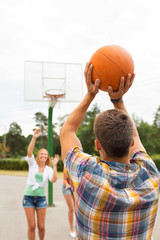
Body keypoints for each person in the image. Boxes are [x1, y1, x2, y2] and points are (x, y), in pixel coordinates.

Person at [60, 62, 160, 240]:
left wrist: (91, 94)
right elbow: (136, 137)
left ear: (98, 145)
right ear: (130, 145)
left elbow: (67, 131)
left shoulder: (86, 173)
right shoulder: (150, 176)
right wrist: (118, 100)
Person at [23, 129, 59, 240]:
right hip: (28, 197)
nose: (43, 155)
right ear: (38, 156)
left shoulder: (48, 169)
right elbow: (29, 152)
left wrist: (54, 166)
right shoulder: (32, 164)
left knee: (41, 227)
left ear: (47, 157)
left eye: (45, 154)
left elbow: (53, 180)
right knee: (32, 226)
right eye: (41, 154)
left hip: (41, 198)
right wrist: (34, 137)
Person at [62, 167, 76, 238]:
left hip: (75, 188)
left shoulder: (77, 165)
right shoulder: (66, 166)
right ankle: (72, 229)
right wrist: (68, 185)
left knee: (77, 209)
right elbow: (64, 180)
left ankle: (77, 227)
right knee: (71, 208)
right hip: (66, 187)